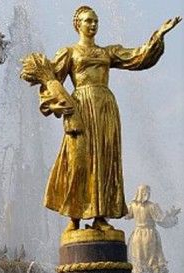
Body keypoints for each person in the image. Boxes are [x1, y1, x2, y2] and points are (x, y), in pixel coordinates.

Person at [24, 6, 180, 231]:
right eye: (88, 21)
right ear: (78, 24)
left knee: (105, 161)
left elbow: (138, 57)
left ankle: (100, 217)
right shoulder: (69, 52)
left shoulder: (108, 52)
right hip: (81, 108)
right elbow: (50, 81)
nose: (93, 25)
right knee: (78, 161)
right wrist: (59, 101)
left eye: (96, 21)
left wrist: (158, 36)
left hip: (105, 107)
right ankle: (74, 217)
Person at [125, 185, 180, 273]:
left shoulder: (132, 205)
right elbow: (162, 221)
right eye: (148, 192)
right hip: (149, 235)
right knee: (151, 261)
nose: (149, 194)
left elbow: (125, 215)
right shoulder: (152, 206)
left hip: (136, 236)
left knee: (138, 262)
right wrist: (173, 217)